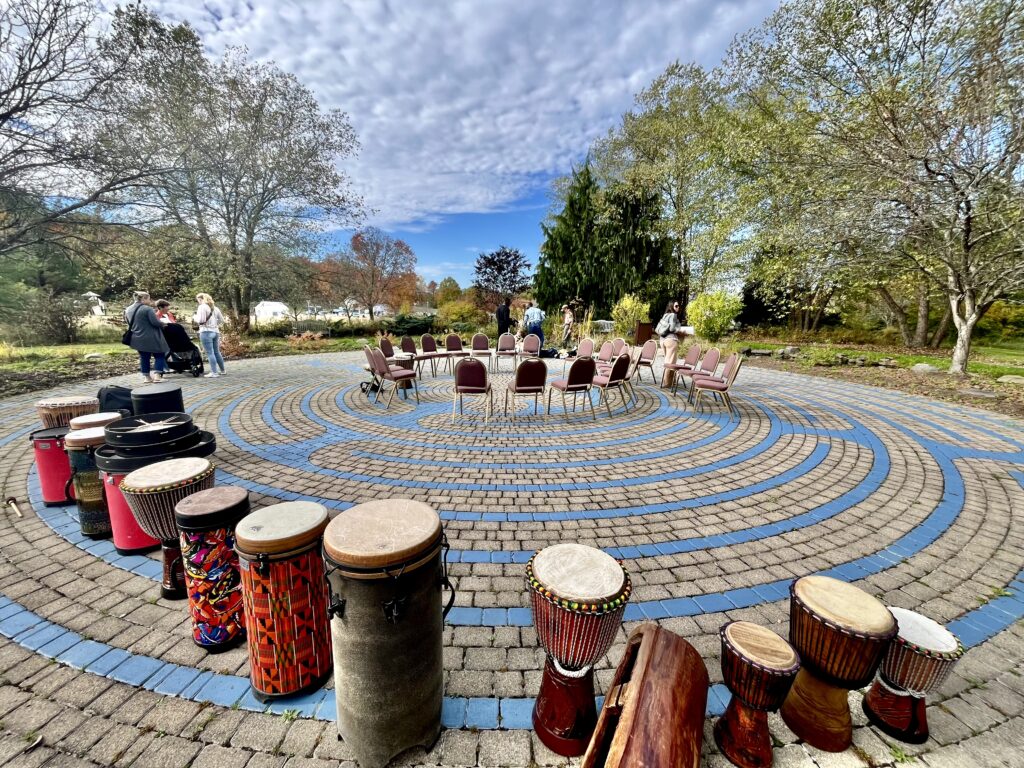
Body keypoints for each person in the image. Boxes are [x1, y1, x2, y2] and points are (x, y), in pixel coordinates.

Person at [124, 291, 169, 383]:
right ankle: (157, 376)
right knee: (159, 355)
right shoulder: (147, 309)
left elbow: (128, 322)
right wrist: (163, 324)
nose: (150, 301)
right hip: (152, 336)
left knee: (144, 357)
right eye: (148, 299)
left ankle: (147, 377)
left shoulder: (127, 310)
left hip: (137, 337)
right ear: (143, 299)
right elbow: (155, 323)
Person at [195, 293, 227, 378]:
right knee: (217, 352)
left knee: (210, 353)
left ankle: (214, 372)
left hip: (205, 331)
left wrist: (195, 317)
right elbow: (222, 320)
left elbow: (201, 321)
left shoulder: (202, 307)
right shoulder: (215, 308)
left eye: (198, 300)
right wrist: (214, 324)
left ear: (201, 299)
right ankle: (223, 370)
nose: (198, 301)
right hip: (216, 332)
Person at [655, 300, 684, 388]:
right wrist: (681, 331)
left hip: (662, 340)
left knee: (667, 360)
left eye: (678, 306)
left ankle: (672, 381)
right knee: (671, 362)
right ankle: (666, 382)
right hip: (671, 340)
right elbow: (672, 329)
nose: (678, 307)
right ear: (671, 306)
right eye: (676, 306)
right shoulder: (673, 315)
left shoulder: (665, 315)